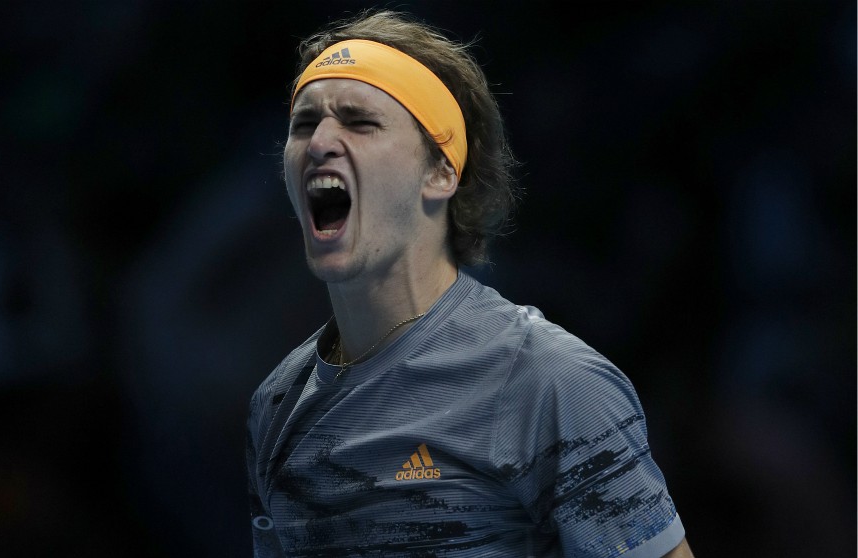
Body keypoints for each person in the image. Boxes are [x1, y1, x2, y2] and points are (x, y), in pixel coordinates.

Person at [246, 10, 694, 558]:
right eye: (303, 123)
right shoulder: (276, 402)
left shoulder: (548, 381)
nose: (319, 142)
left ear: (441, 172)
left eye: (359, 122)